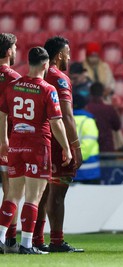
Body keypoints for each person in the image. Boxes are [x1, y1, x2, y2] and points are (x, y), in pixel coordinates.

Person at [0, 46, 72, 254]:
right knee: (33, 197)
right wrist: (66, 147)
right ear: (44, 64)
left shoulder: (13, 86)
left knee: (12, 195)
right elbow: (57, 122)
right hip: (38, 146)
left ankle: (1, 237)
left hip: (15, 144)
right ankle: (26, 244)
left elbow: (3, 114)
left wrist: (3, 140)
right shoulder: (48, 89)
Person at [33, 36, 84, 253]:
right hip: (57, 142)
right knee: (57, 193)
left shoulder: (37, 76)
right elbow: (67, 116)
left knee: (40, 193)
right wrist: (75, 147)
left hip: (37, 140)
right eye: (68, 53)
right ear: (60, 55)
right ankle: (56, 241)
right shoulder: (60, 78)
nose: (70, 57)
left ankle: (34, 240)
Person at [0, 33, 22, 253]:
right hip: (5, 140)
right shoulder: (14, 78)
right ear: (8, 51)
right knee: (11, 191)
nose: (16, 51)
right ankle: (9, 240)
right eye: (15, 48)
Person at [86, 82, 123, 152]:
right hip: (107, 146)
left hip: (91, 148)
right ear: (103, 92)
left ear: (90, 92)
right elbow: (117, 126)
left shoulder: (86, 109)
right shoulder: (109, 109)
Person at [73, 94, 101, 184]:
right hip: (89, 172)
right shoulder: (88, 121)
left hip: (67, 172)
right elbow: (88, 144)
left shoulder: (62, 121)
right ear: (85, 106)